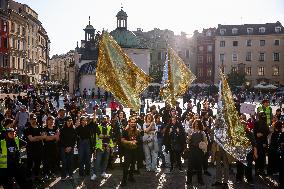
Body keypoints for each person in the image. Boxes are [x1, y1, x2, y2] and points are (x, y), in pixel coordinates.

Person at [120, 116, 141, 187]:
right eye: (132, 122)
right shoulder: (125, 131)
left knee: (133, 165)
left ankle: (131, 177)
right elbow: (122, 140)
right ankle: (124, 180)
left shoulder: (137, 131)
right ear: (129, 123)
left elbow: (140, 140)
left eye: (134, 122)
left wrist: (136, 141)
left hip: (135, 150)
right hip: (127, 151)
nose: (133, 123)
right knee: (126, 165)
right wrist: (129, 142)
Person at [91, 116, 114, 180]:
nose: (104, 120)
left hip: (107, 147)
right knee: (97, 161)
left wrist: (111, 146)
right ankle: (95, 174)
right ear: (101, 120)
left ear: (107, 120)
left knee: (105, 160)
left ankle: (103, 172)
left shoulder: (109, 127)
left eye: (105, 119)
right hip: (100, 147)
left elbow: (111, 136)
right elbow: (100, 136)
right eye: (103, 119)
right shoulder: (98, 127)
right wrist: (107, 136)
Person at [236, 120, 258, 186]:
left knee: (249, 167)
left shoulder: (250, 133)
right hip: (240, 153)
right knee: (239, 166)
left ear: (246, 126)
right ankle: (239, 178)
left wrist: (255, 153)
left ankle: (249, 179)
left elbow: (254, 144)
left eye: (244, 125)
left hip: (249, 153)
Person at [24, 115, 45, 182]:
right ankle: (28, 177)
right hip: (30, 149)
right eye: (32, 119)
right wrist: (39, 137)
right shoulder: (27, 129)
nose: (34, 120)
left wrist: (36, 137)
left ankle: (37, 177)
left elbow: (44, 137)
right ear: (29, 120)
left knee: (38, 163)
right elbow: (31, 139)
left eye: (35, 118)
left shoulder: (40, 127)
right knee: (30, 164)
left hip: (39, 148)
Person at [186, 119, 207, 186]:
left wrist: (203, 148)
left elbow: (206, 142)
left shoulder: (202, 133)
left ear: (200, 125)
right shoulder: (190, 131)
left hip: (199, 151)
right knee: (190, 166)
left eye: (198, 124)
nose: (196, 125)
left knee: (199, 166)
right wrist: (189, 137)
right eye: (195, 123)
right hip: (192, 150)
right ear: (194, 124)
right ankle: (189, 180)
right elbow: (187, 142)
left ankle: (200, 180)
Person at [59, 116, 76, 180]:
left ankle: (71, 175)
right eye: (68, 121)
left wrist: (70, 147)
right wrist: (66, 147)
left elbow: (74, 139)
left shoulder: (73, 129)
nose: (69, 122)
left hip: (71, 148)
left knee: (70, 162)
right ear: (66, 122)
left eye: (70, 121)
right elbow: (61, 140)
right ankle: (63, 175)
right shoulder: (62, 129)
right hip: (64, 148)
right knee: (64, 162)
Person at [253, 111, 269, 175]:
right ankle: (257, 170)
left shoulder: (265, 123)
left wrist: (262, 134)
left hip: (264, 142)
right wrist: (257, 134)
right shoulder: (256, 123)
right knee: (257, 157)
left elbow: (266, 132)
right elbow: (255, 133)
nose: (263, 117)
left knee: (262, 157)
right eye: (262, 116)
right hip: (257, 142)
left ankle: (261, 170)